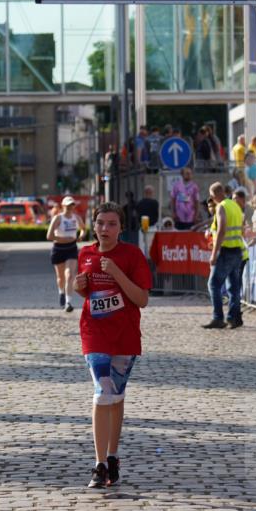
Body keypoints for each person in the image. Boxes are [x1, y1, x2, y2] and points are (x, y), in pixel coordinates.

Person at [73, 201, 152, 489]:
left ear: (121, 228)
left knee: (115, 396)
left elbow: (142, 299)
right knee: (102, 391)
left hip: (125, 335)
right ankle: (99, 464)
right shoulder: (86, 254)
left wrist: (117, 272)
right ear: (93, 227)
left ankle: (113, 455)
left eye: (111, 224)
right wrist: (78, 286)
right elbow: (86, 292)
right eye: (100, 223)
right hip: (94, 334)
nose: (105, 229)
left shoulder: (132, 255)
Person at [202, 182, 244, 330]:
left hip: (226, 252)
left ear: (215, 195)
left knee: (213, 284)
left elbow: (221, 230)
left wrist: (214, 254)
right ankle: (234, 318)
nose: (212, 200)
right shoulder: (235, 206)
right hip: (237, 250)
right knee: (233, 287)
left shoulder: (221, 207)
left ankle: (218, 318)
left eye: (212, 197)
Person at [46, 195, 84, 313]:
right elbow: (49, 236)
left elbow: (83, 229)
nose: (70, 207)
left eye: (72, 205)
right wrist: (64, 239)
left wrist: (81, 236)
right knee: (60, 277)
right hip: (58, 249)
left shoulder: (76, 218)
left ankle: (68, 302)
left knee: (70, 275)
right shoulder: (58, 218)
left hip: (71, 248)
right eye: (67, 205)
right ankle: (61, 292)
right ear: (63, 206)